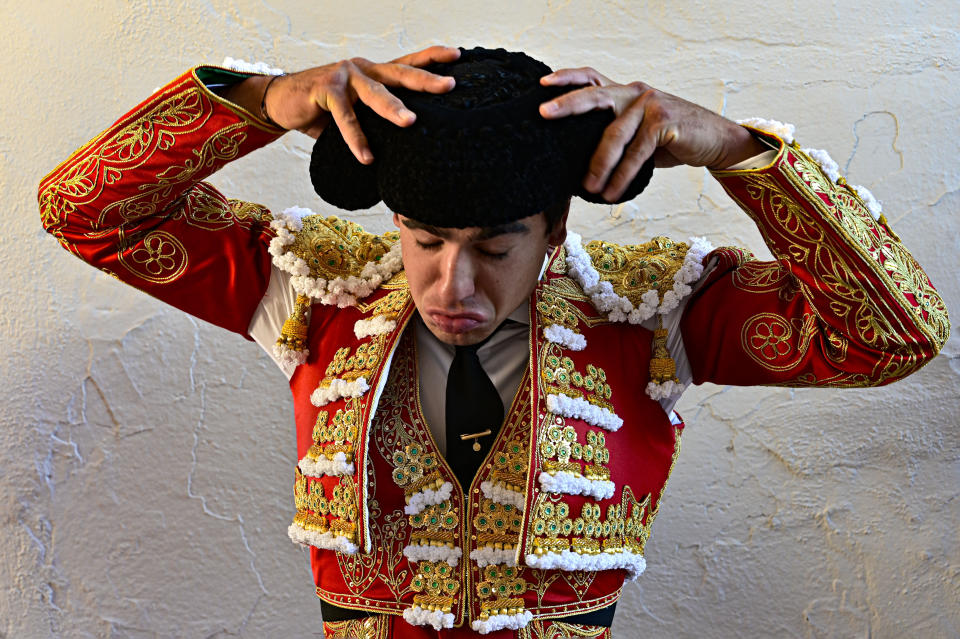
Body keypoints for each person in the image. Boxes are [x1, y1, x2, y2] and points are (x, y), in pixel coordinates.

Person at [38, 45, 948, 638]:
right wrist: (259, 99)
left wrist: (741, 151)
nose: (450, 285)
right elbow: (83, 209)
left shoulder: (642, 309)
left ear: (554, 229)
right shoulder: (320, 288)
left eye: (493, 248)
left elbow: (891, 335)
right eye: (423, 239)